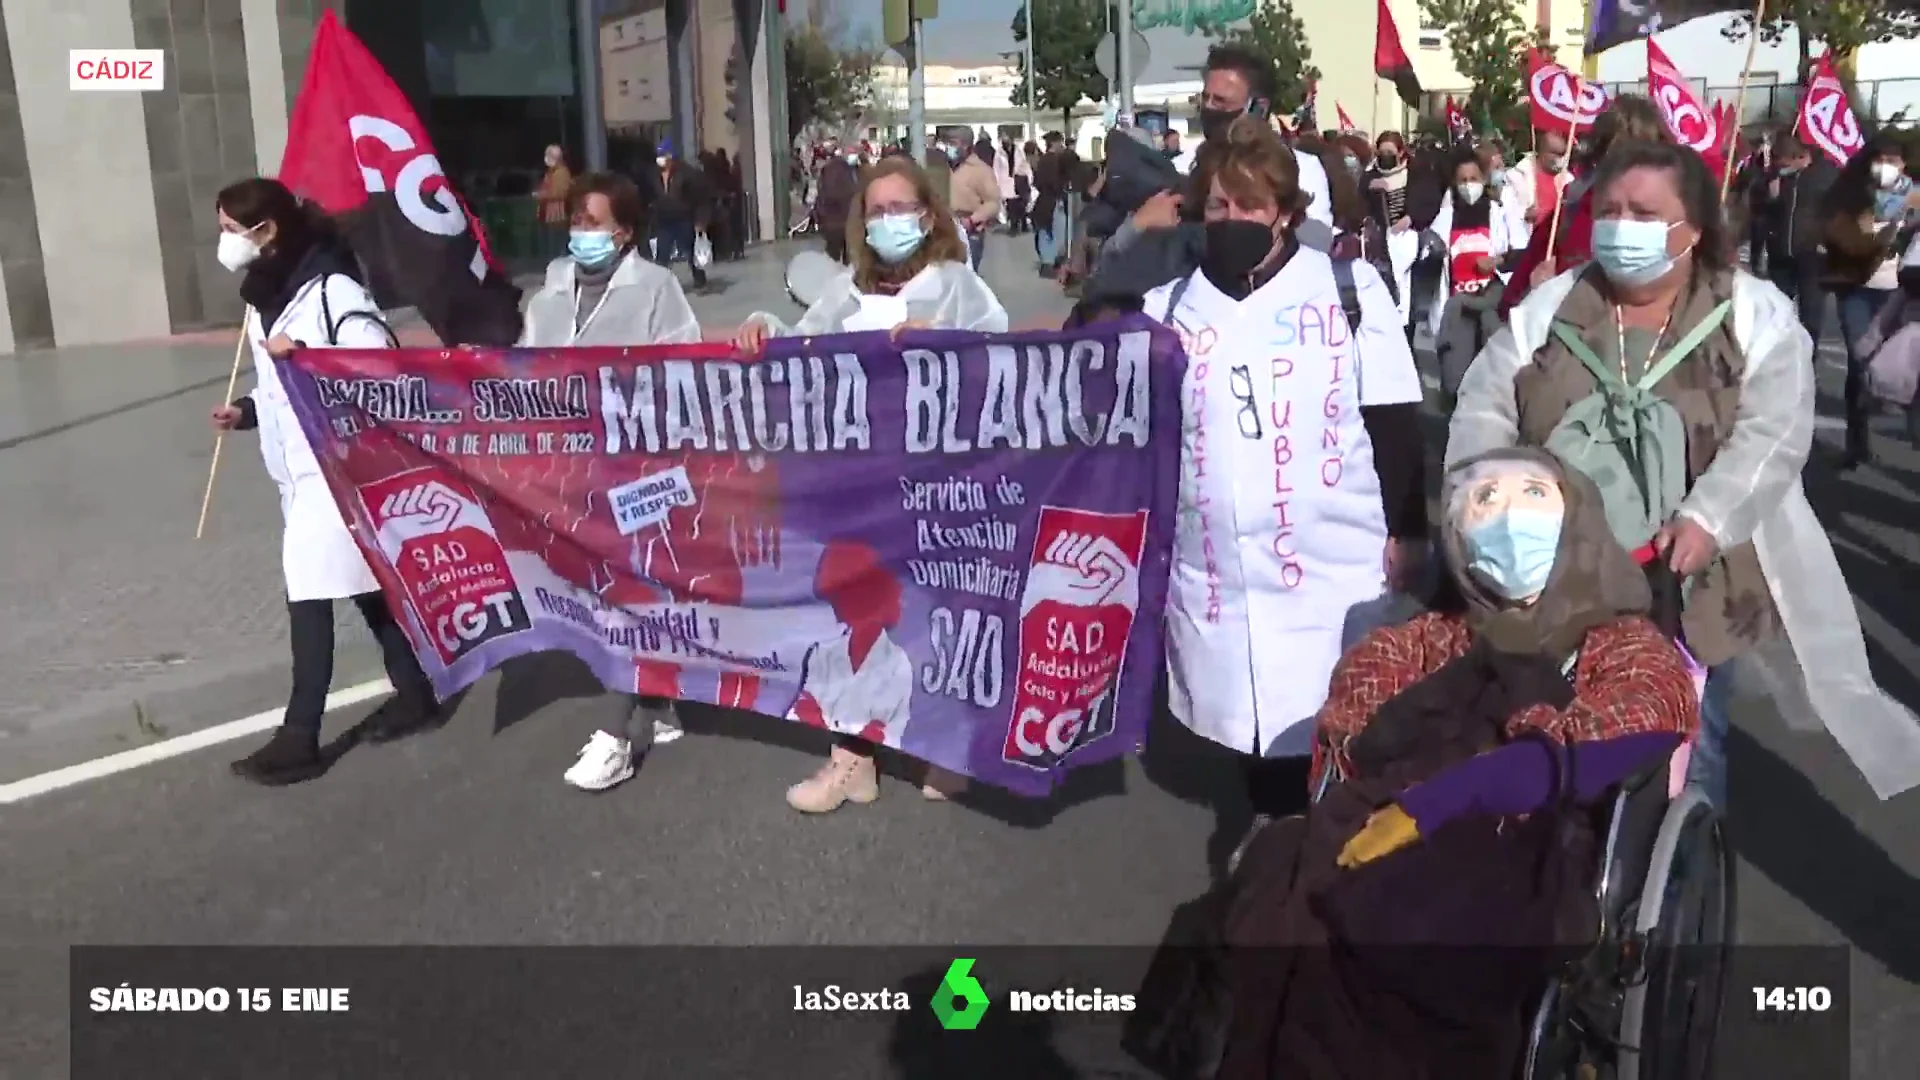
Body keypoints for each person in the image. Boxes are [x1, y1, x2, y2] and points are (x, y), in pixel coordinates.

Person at [1192, 449, 1696, 1080]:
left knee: (1410, 926)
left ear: (1579, 518)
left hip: (1529, 839)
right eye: (1484, 502)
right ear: (1458, 539)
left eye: (1533, 496)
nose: (1507, 516)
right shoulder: (1424, 638)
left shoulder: (1623, 643)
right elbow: (1354, 727)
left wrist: (1445, 800)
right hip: (1383, 820)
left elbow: (1624, 732)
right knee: (1278, 883)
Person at [1449, 138, 1920, 805]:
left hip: (1690, 582)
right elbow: (1484, 403)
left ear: (1693, 228)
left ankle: (1674, 893)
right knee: (1548, 737)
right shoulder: (1553, 306)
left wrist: (1710, 517)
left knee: (1687, 752)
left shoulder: (1752, 313)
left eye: (1644, 214)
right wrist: (1484, 502)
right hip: (1554, 576)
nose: (1620, 228)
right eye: (1610, 210)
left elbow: (1774, 431)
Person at [1141, 116, 1428, 824]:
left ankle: (1318, 859)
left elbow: (1393, 417)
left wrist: (1410, 530)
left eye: (1250, 206)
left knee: (1338, 719)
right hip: (1221, 577)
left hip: (1332, 565)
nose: (1232, 218)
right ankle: (1276, 853)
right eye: (1218, 205)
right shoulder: (1167, 308)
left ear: (1287, 215)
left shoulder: (1347, 290)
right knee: (1250, 732)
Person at [729, 156, 1008, 813]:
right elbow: (800, 347)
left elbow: (1006, 357)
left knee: (934, 611)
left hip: (933, 486)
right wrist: (763, 326)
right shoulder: (845, 292)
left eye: (899, 208)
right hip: (851, 488)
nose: (888, 221)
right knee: (849, 616)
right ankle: (851, 758)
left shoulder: (957, 283)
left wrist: (950, 342)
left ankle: (940, 745)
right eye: (876, 211)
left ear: (928, 214)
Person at [208, 177, 440, 785]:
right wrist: (248, 410)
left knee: (307, 586)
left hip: (338, 465)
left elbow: (377, 366)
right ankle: (415, 693)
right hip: (297, 469)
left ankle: (300, 735)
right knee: (361, 582)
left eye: (232, 230)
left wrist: (304, 350)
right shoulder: (264, 296)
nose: (225, 242)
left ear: (268, 230)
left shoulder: (333, 289)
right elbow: (277, 385)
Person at [509, 172, 703, 791]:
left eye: (592, 223)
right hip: (570, 468)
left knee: (628, 593)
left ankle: (619, 734)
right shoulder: (550, 292)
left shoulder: (656, 286)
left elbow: (686, 365)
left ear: (623, 231)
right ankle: (658, 702)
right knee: (602, 592)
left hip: (641, 468)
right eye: (575, 222)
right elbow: (522, 367)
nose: (580, 233)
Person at [1500, 95, 1670, 317]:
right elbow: (1510, 311)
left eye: (1643, 159)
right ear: (1600, 155)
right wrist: (1538, 296)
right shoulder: (1568, 215)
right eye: (1622, 156)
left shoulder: (1677, 223)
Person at [1821, 136, 1919, 469]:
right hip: (1859, 289)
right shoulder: (1851, 194)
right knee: (1859, 361)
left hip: (1901, 295)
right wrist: (1877, 234)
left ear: (1905, 164)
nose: (1888, 166)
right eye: (1882, 159)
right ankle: (1857, 443)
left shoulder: (1915, 197)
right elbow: (1838, 237)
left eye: (1895, 160)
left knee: (1901, 368)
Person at [1430, 146, 1515, 402]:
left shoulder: (1497, 213)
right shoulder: (1445, 216)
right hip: (1457, 310)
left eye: (1474, 179)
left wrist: (1497, 260)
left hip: (1490, 307)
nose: (1469, 185)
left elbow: (1518, 253)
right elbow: (1429, 251)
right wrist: (1432, 249)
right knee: (1456, 383)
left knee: (1490, 385)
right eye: (1463, 180)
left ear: (1483, 180)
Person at [1760, 135, 1836, 344]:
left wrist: (1826, 243)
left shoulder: (1827, 175)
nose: (1780, 166)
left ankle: (1808, 362)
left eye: (1785, 162)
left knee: (1810, 315)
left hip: (1812, 256)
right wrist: (1772, 197)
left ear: (1801, 157)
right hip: (1780, 254)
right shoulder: (1775, 177)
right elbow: (1760, 210)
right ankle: (1778, 360)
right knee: (1776, 314)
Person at [646, 140, 710, 289]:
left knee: (690, 249)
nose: (660, 159)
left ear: (671, 156)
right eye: (659, 155)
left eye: (663, 155)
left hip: (683, 219)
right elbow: (651, 195)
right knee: (662, 253)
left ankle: (699, 277)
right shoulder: (654, 175)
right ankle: (660, 284)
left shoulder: (686, 173)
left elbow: (700, 198)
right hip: (664, 220)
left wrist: (701, 221)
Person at [949, 138, 1002, 269]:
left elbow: (993, 202)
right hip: (944, 228)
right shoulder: (943, 167)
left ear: (966, 145)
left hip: (969, 229)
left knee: (967, 274)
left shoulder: (981, 170)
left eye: (953, 143)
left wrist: (973, 220)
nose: (949, 147)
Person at [815, 146, 860, 264]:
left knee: (836, 254)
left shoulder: (848, 169)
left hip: (837, 220)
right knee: (840, 254)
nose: (854, 155)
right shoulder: (839, 170)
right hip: (839, 219)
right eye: (852, 152)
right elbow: (833, 194)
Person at [535, 145, 574, 260]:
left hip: (558, 215)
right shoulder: (550, 172)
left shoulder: (562, 173)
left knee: (558, 248)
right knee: (551, 247)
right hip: (547, 214)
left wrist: (543, 195)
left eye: (549, 156)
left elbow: (561, 193)